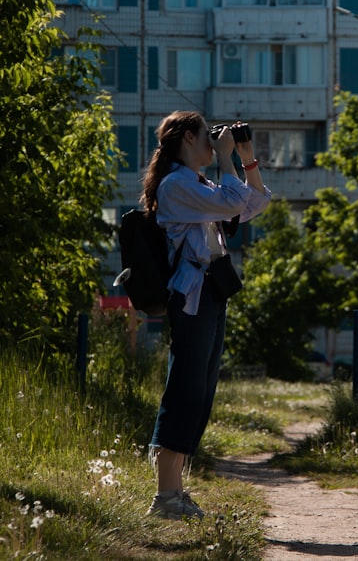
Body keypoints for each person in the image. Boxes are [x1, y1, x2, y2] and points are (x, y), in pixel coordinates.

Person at [141, 110, 271, 520]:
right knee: (183, 391)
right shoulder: (178, 184)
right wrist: (228, 160)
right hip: (191, 296)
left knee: (200, 394)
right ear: (185, 140)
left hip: (211, 294)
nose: (212, 144)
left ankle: (176, 494)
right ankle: (164, 497)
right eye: (206, 138)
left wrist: (247, 157)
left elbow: (253, 203)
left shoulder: (199, 183)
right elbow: (233, 201)